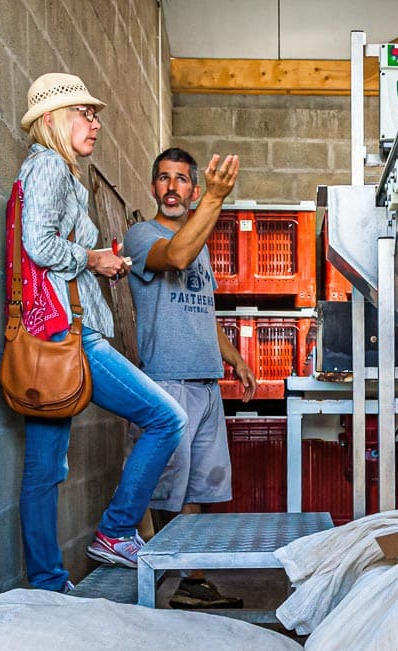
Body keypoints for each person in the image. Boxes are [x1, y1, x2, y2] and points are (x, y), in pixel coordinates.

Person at [12, 73, 188, 592]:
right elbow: (39, 244)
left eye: (95, 115)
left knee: (44, 471)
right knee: (165, 417)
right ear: (50, 121)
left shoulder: (61, 173)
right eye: (81, 114)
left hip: (51, 336)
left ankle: (47, 584)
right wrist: (92, 258)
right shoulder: (48, 166)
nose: (94, 123)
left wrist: (97, 263)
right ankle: (115, 532)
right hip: (69, 335)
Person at [123, 147, 257, 609]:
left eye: (181, 179)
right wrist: (216, 201)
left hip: (205, 382)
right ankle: (168, 568)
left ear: (192, 188)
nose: (171, 187)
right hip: (167, 381)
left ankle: (192, 582)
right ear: (155, 186)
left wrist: (234, 358)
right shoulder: (142, 236)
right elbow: (176, 257)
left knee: (198, 487)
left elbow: (206, 313)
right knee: (169, 487)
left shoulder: (200, 250)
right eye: (163, 178)